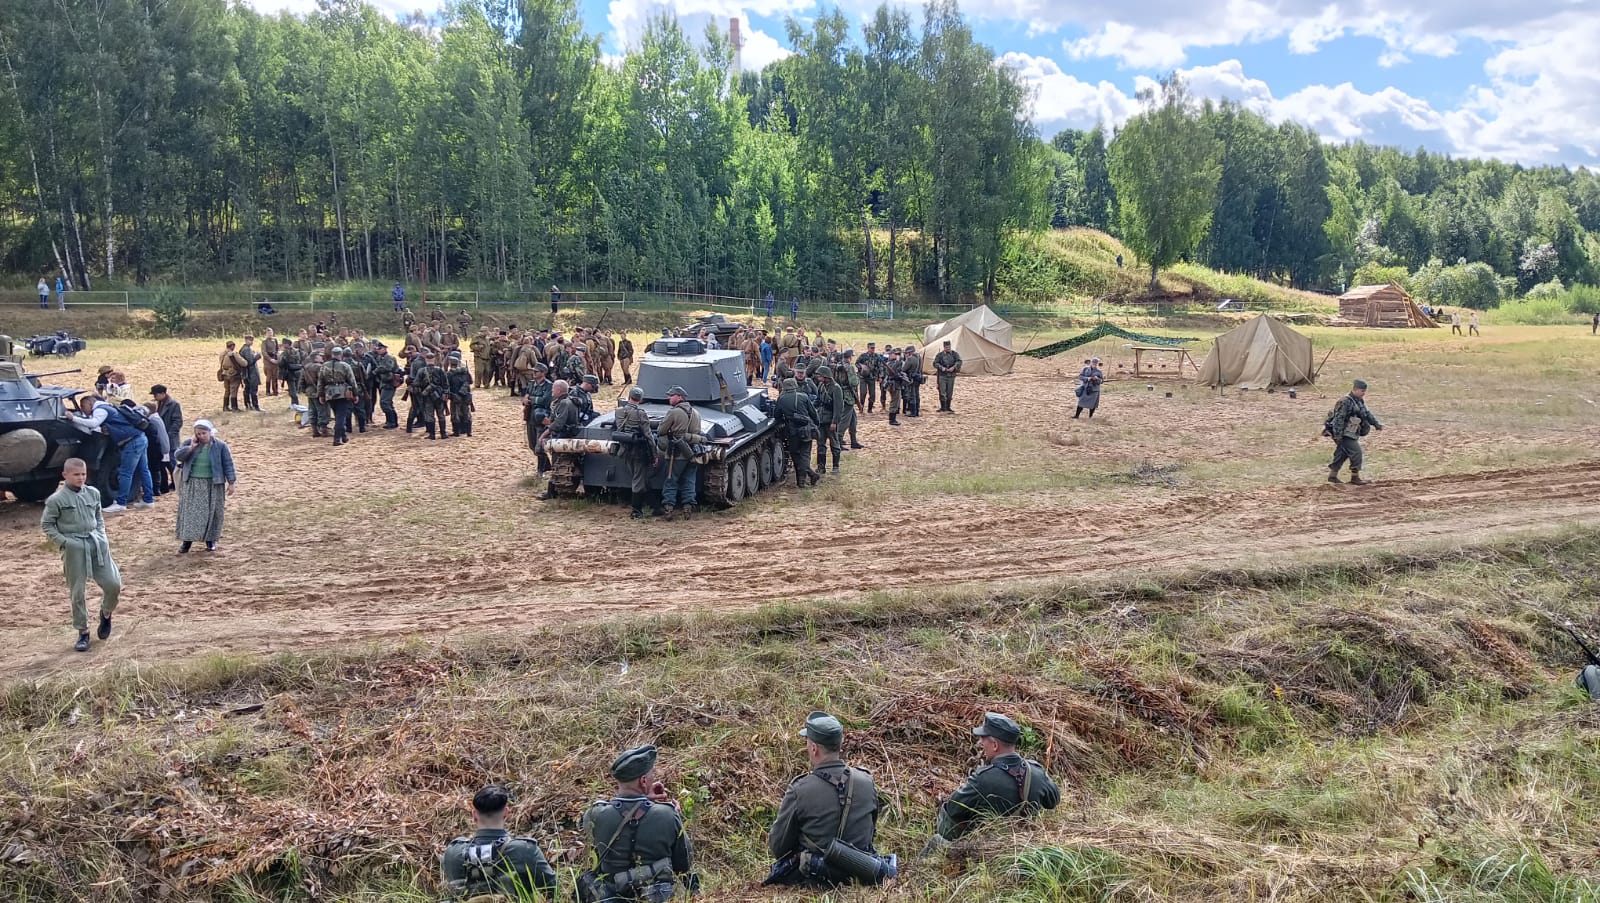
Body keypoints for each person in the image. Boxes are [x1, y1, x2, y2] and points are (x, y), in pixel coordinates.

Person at [765, 711, 894, 888]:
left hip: (816, 877)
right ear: (839, 744)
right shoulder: (866, 781)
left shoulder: (800, 789)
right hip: (862, 872)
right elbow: (870, 833)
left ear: (814, 748)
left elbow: (778, 847)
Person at [578, 745, 694, 903]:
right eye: (652, 774)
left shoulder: (595, 815)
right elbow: (684, 863)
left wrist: (641, 799)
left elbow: (592, 826)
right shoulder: (667, 814)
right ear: (644, 781)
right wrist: (676, 816)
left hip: (609, 897)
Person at [934, 713, 1060, 841]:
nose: (980, 742)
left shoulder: (983, 779)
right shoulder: (1036, 771)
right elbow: (1053, 801)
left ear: (994, 745)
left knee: (937, 840)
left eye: (983, 738)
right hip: (1027, 846)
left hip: (988, 851)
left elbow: (953, 810)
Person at [40, 458, 121, 653]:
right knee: (78, 592)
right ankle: (83, 632)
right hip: (74, 547)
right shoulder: (56, 500)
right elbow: (47, 525)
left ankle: (106, 613)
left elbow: (98, 517)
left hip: (96, 544)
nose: (81, 478)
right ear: (65, 475)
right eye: (76, 474)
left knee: (113, 584)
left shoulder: (93, 493)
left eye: (83, 474)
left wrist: (102, 535)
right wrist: (65, 542)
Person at [441, 785, 557, 902]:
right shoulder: (525, 850)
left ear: (474, 815)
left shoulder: (453, 851)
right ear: (506, 813)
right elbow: (552, 888)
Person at [67, 392, 153, 513]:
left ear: (89, 403)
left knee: (125, 473)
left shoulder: (100, 410)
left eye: (83, 407)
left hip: (131, 442)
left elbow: (93, 423)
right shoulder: (109, 407)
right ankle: (148, 500)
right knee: (143, 470)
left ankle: (120, 503)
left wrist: (73, 418)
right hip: (139, 437)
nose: (83, 411)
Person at [173, 420, 236, 554]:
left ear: (210, 432)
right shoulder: (190, 444)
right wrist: (191, 447)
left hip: (213, 484)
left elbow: (228, 464)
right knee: (191, 514)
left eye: (204, 433)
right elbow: (178, 456)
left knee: (212, 514)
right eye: (198, 434)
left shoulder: (220, 446)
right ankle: (187, 542)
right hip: (193, 484)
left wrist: (231, 482)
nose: (201, 436)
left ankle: (210, 540)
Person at [1324, 379, 1383, 485]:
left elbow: (1366, 413)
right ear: (1355, 389)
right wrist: (1338, 436)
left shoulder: (1359, 401)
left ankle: (1332, 476)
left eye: (1364, 391)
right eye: (1362, 391)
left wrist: (1375, 424)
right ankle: (1355, 477)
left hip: (1351, 432)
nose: (1364, 393)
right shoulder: (1344, 401)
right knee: (1356, 452)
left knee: (1342, 453)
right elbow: (1339, 419)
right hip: (1344, 433)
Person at [657, 385, 703, 520]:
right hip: (692, 452)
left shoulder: (674, 412)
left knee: (671, 480)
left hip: (676, 454)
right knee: (689, 480)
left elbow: (661, 430)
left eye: (671, 395)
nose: (669, 398)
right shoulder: (696, 413)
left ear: (680, 397)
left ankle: (668, 509)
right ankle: (688, 507)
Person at [614, 386, 660, 517]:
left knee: (641, 478)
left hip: (624, 449)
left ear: (629, 397)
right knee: (638, 480)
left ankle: (655, 506)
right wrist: (655, 454)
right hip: (639, 451)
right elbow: (649, 435)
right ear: (640, 399)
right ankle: (636, 511)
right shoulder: (641, 413)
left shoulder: (618, 412)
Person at [775, 377, 821, 487]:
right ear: (795, 386)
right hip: (806, 429)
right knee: (805, 455)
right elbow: (813, 413)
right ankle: (805, 478)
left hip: (792, 431)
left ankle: (803, 479)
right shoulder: (803, 397)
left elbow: (777, 416)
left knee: (795, 454)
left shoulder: (781, 399)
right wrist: (816, 423)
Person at [320, 346, 359, 446]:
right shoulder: (345, 365)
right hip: (342, 393)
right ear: (341, 355)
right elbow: (352, 381)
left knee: (338, 415)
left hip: (329, 393)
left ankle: (344, 436)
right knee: (341, 417)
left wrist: (321, 395)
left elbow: (320, 382)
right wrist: (356, 394)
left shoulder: (324, 365)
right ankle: (337, 439)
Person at [152, 385, 183, 494]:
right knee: (166, 462)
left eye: (155, 395)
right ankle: (175, 482)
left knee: (171, 461)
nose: (154, 397)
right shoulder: (159, 404)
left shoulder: (173, 405)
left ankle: (178, 482)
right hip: (163, 438)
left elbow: (177, 422)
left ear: (162, 394)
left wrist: (169, 434)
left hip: (170, 439)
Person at [445, 351, 474, 437]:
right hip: (466, 395)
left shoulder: (449, 373)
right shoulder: (465, 371)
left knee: (455, 414)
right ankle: (468, 432)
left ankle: (456, 432)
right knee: (466, 413)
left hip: (455, 396)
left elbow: (447, 385)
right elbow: (470, 381)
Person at [933, 340, 962, 413]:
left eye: (949, 347)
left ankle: (948, 407)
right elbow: (935, 363)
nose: (948, 348)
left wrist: (954, 367)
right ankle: (943, 407)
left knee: (949, 392)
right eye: (946, 347)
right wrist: (941, 367)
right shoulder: (940, 355)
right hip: (942, 375)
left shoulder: (954, 354)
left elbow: (959, 361)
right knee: (942, 392)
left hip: (951, 376)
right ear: (944, 347)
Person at [219, 341, 246, 411]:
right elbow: (244, 363)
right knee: (233, 391)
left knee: (227, 391)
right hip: (233, 374)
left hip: (224, 374)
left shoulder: (222, 354)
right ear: (232, 346)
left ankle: (225, 406)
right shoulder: (234, 354)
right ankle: (234, 407)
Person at [239, 335, 263, 411]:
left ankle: (248, 405)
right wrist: (258, 356)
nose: (251, 342)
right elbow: (250, 361)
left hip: (248, 372)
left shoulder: (246, 349)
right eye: (250, 340)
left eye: (252, 340)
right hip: (250, 372)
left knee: (248, 390)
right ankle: (255, 406)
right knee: (253, 390)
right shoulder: (246, 350)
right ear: (246, 340)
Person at [901, 345, 922, 417]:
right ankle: (916, 411)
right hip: (917, 378)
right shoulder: (919, 357)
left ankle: (912, 412)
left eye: (906, 353)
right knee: (916, 395)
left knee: (911, 395)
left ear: (910, 353)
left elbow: (904, 369)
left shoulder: (910, 359)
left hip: (911, 379)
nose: (905, 354)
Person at [261, 330, 281, 397]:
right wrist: (270, 359)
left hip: (275, 360)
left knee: (275, 376)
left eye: (271, 333)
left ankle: (275, 391)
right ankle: (268, 391)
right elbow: (264, 352)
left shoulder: (275, 340)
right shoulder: (264, 342)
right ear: (266, 334)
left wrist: (277, 356)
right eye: (268, 333)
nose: (270, 334)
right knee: (269, 377)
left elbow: (277, 349)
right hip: (268, 362)